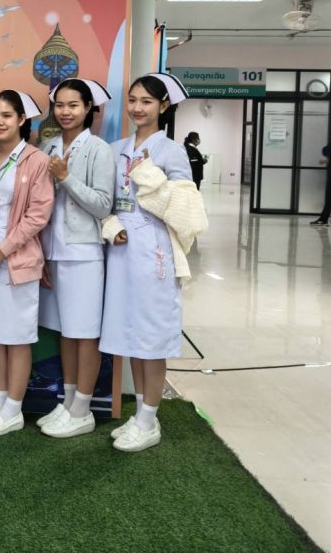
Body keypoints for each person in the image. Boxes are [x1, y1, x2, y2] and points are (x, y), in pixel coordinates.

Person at [100, 73, 208, 452]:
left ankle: (149, 419)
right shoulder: (116, 149)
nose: (137, 107)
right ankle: (141, 415)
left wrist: (149, 178)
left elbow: (186, 209)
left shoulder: (171, 152)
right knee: (131, 332)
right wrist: (111, 226)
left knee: (152, 336)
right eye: (132, 99)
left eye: (146, 101)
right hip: (122, 251)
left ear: (163, 106)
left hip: (155, 250)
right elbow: (108, 201)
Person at [0, 90, 54, 437]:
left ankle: (14, 409)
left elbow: (37, 215)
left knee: (16, 337)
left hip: (15, 262)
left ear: (21, 120)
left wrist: (0, 252)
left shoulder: (36, 160)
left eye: (6, 115)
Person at [35, 78, 115, 438]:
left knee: (85, 334)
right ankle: (69, 403)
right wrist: (41, 255)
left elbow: (103, 205)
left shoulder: (99, 149)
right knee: (65, 333)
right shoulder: (48, 146)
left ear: (88, 109)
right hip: (54, 251)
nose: (65, 112)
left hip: (84, 254)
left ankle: (83, 409)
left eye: (73, 105)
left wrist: (66, 177)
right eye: (60, 105)